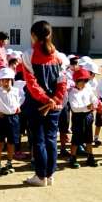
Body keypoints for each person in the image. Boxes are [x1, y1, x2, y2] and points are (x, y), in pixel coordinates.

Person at [22, 21, 67, 187]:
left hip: (37, 104)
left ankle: (41, 176)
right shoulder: (60, 56)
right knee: (51, 139)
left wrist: (46, 99)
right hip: (54, 105)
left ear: (33, 35)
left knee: (39, 140)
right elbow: (63, 82)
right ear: (50, 34)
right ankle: (50, 175)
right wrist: (55, 99)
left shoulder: (28, 54)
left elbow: (31, 83)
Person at [0, 68, 24, 175]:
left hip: (13, 118)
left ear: (12, 80)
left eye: (8, 80)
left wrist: (18, 106)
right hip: (1, 119)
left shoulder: (16, 91)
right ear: (0, 81)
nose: (6, 82)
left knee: (11, 142)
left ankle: (9, 163)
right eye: (3, 80)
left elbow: (22, 98)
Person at [68, 68, 99, 168]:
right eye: (82, 81)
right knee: (76, 138)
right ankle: (73, 158)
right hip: (78, 117)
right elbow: (74, 108)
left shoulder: (87, 89)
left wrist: (95, 103)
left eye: (86, 81)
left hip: (88, 116)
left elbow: (94, 98)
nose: (84, 83)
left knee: (89, 138)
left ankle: (90, 157)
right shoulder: (72, 93)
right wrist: (87, 107)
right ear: (76, 81)